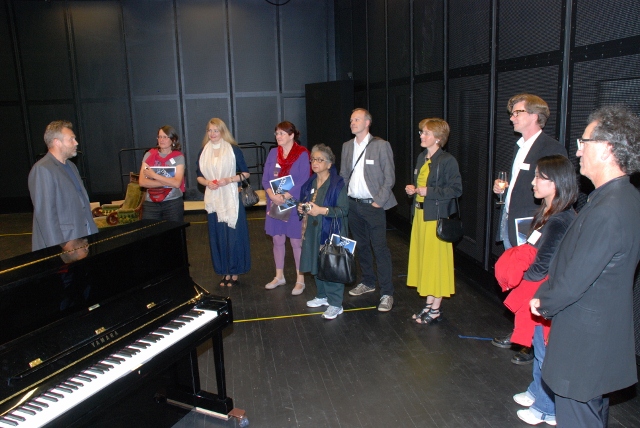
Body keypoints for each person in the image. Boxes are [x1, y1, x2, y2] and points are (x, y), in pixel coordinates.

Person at [530, 106, 640, 428]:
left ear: (606, 148)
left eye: (584, 142)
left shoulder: (608, 208)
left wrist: (543, 301)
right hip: (598, 339)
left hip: (584, 344)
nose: (578, 151)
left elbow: (577, 278)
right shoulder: (624, 197)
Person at [494, 155, 578, 426]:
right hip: (541, 289)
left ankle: (547, 409)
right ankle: (537, 391)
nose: (533, 182)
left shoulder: (560, 219)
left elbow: (543, 265)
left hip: (546, 292)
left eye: (539, 177)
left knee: (544, 350)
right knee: (538, 345)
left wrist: (521, 277)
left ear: (556, 183)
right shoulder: (549, 212)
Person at [492, 94, 568, 365]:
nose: (512, 117)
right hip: (512, 222)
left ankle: (533, 344)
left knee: (534, 283)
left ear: (535, 116)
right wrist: (503, 190)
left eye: (518, 112)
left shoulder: (550, 147)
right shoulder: (520, 146)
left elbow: (558, 190)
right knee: (518, 280)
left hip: (533, 226)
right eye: (512, 113)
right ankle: (520, 334)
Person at [405, 119, 462, 324]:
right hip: (421, 217)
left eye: (426, 133)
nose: (421, 136)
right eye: (422, 132)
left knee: (436, 264)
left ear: (438, 138)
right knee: (426, 263)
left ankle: (435, 309)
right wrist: (413, 190)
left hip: (435, 219)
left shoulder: (447, 160)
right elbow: (421, 186)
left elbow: (456, 190)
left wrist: (428, 191)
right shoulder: (422, 157)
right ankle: (429, 305)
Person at [340, 108, 397, 312]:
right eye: (351, 120)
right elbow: (343, 175)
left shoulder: (381, 145)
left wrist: (378, 201)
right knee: (361, 246)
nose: (352, 123)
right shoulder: (347, 146)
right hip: (353, 205)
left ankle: (387, 293)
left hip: (373, 206)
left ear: (367, 122)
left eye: (357, 119)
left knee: (379, 249)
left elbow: (389, 177)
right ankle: (368, 282)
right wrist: (344, 200)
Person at [196, 118, 251, 287]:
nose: (212, 134)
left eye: (216, 130)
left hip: (231, 199)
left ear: (222, 131)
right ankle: (224, 271)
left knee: (233, 236)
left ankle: (235, 271)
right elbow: (199, 176)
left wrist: (228, 180)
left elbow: (245, 173)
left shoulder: (233, 149)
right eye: (210, 130)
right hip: (213, 200)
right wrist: (208, 183)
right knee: (218, 236)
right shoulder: (203, 151)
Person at [28, 120, 98, 251]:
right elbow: (46, 216)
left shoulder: (71, 166)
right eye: (71, 139)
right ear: (57, 142)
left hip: (82, 238)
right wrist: (59, 249)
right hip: (65, 244)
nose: (76, 143)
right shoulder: (43, 169)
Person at [299, 144, 349, 319]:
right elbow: (306, 201)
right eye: (313, 159)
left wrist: (321, 210)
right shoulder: (310, 182)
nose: (315, 162)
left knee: (332, 267)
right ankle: (322, 296)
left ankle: (335, 304)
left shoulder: (337, 183)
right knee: (316, 263)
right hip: (313, 230)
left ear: (329, 164)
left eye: (320, 160)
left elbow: (344, 210)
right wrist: (302, 208)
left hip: (332, 231)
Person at [262, 121, 311, 295]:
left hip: (294, 202)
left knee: (296, 241)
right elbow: (265, 178)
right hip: (275, 201)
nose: (278, 136)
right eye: (276, 133)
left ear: (292, 135)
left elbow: (304, 179)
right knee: (277, 239)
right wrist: (272, 195)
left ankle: (300, 280)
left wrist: (285, 196)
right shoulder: (273, 153)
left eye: (282, 133)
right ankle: (279, 276)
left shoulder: (302, 153)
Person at [138, 125, 186, 222]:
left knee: (173, 230)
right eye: (159, 137)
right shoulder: (149, 154)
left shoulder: (179, 157)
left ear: (173, 139)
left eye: (165, 137)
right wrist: (169, 182)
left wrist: (154, 176)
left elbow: (177, 183)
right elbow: (142, 182)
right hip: (151, 204)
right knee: (151, 230)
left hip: (173, 203)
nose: (161, 140)